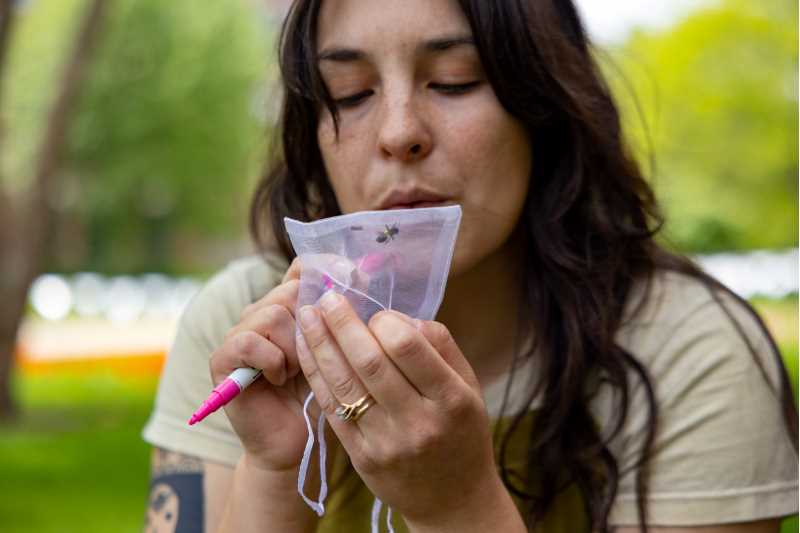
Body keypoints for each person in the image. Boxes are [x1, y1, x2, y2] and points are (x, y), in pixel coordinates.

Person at [141, 1, 798, 532]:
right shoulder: (244, 325)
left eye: (455, 80)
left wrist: (458, 505)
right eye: (351, 91)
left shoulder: (690, 353)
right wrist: (275, 470)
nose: (399, 132)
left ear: (544, 106)